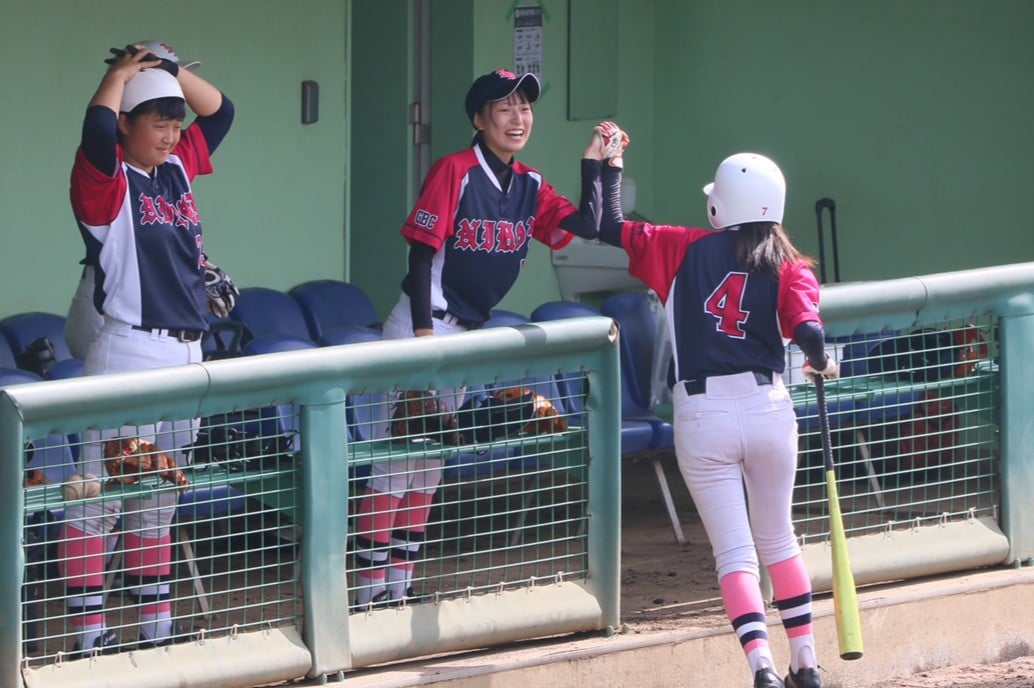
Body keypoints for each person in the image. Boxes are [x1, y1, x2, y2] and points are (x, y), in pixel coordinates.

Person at [350, 68, 614, 609]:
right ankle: (365, 592)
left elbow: (587, 225)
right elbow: (421, 253)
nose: (518, 118)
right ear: (479, 119)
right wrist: (423, 337)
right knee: (396, 465)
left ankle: (397, 587)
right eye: (504, 108)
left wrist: (599, 161)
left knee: (429, 464)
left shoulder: (530, 185)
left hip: (465, 334)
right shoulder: (456, 170)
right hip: (424, 326)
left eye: (525, 108)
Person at [597, 141, 838, 688]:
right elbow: (808, 332)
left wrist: (608, 168)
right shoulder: (791, 264)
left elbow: (608, 225)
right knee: (779, 540)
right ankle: (806, 662)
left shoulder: (680, 247)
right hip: (766, 407)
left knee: (735, 551)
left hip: (702, 414)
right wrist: (820, 361)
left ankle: (762, 667)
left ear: (720, 206)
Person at [58, 40, 235, 657]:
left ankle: (155, 629)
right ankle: (88, 636)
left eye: (172, 122)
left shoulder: (175, 166)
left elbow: (222, 112)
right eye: (156, 122)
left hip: (187, 355)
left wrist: (168, 70)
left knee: (158, 501)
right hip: (128, 353)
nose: (169, 133)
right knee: (98, 504)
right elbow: (94, 126)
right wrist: (118, 74)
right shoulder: (105, 181)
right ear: (126, 125)